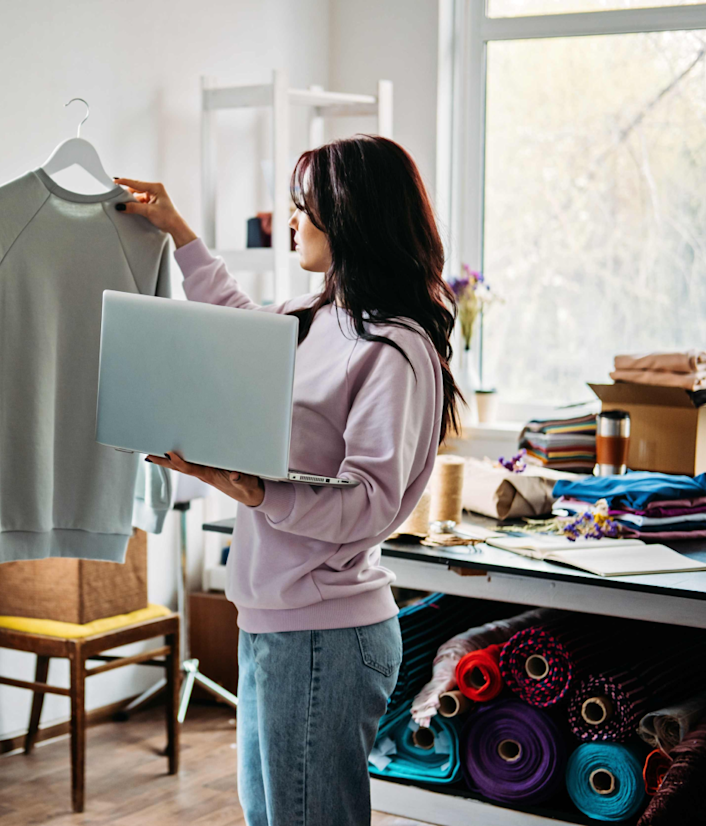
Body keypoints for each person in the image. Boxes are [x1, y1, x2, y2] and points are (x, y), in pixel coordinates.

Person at [113, 134, 460, 826]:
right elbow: (238, 327)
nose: (291, 220)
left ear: (352, 218)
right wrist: (178, 231)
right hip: (274, 625)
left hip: (324, 635)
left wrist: (256, 491)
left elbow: (370, 502)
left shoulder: (395, 347)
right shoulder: (316, 316)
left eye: (305, 207)